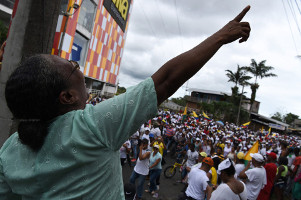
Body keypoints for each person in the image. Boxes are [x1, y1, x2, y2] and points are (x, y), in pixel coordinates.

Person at [0, 6, 251, 199]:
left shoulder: (9, 149)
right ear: (67, 97)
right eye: (74, 66)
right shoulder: (92, 126)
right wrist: (221, 36)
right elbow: (165, 81)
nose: (79, 69)